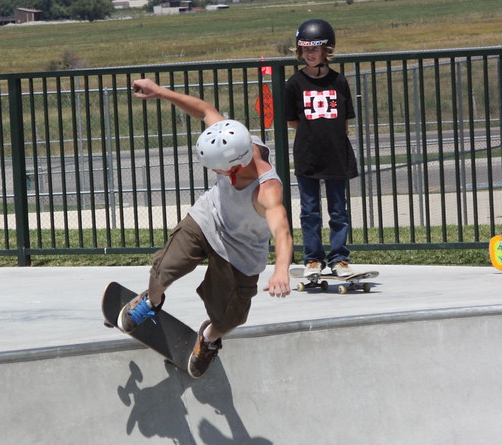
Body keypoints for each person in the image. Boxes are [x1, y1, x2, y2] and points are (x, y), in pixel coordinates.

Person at [118, 78, 293, 379]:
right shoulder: (232, 137)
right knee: (164, 267)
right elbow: (205, 110)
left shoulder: (266, 191)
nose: (214, 172)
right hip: (208, 218)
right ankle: (151, 300)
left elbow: (282, 231)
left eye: (217, 168)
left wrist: (281, 270)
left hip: (241, 251)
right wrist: (159, 91)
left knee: (231, 317)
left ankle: (209, 338)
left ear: (236, 166)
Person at [284, 18, 359, 279]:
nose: (310, 54)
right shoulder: (294, 83)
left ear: (327, 51)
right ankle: (313, 258)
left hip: (336, 154)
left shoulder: (339, 82)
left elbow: (345, 121)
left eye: (314, 49)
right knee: (310, 211)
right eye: (305, 49)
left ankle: (339, 258)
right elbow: (293, 121)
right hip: (308, 154)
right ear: (299, 51)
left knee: (339, 210)